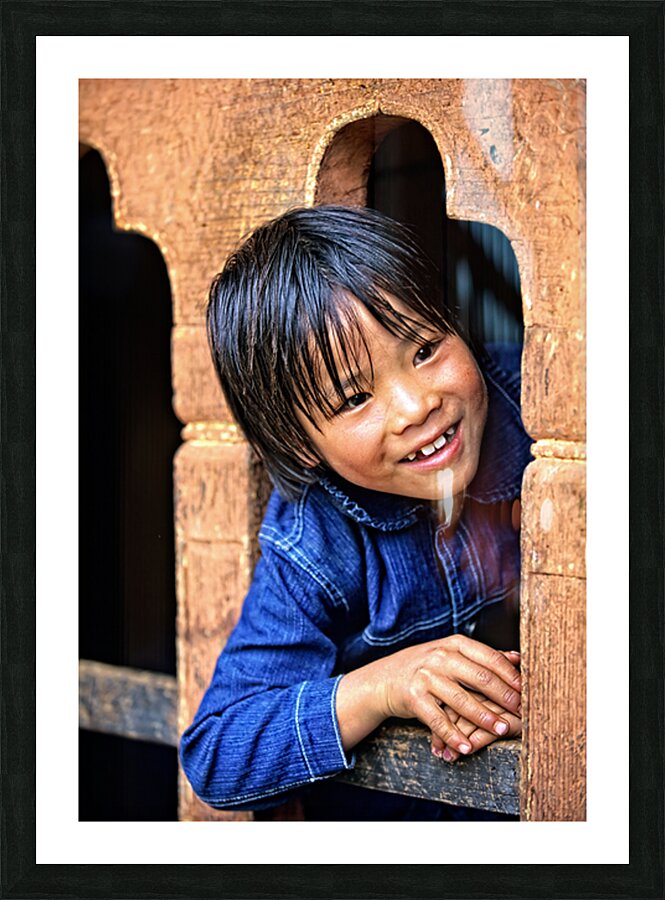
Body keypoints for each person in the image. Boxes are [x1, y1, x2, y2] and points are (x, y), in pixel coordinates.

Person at [179, 205, 532, 820]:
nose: (417, 405)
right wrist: (380, 687)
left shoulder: (545, 404)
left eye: (424, 348)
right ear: (296, 442)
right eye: (353, 397)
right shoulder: (316, 541)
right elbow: (216, 753)